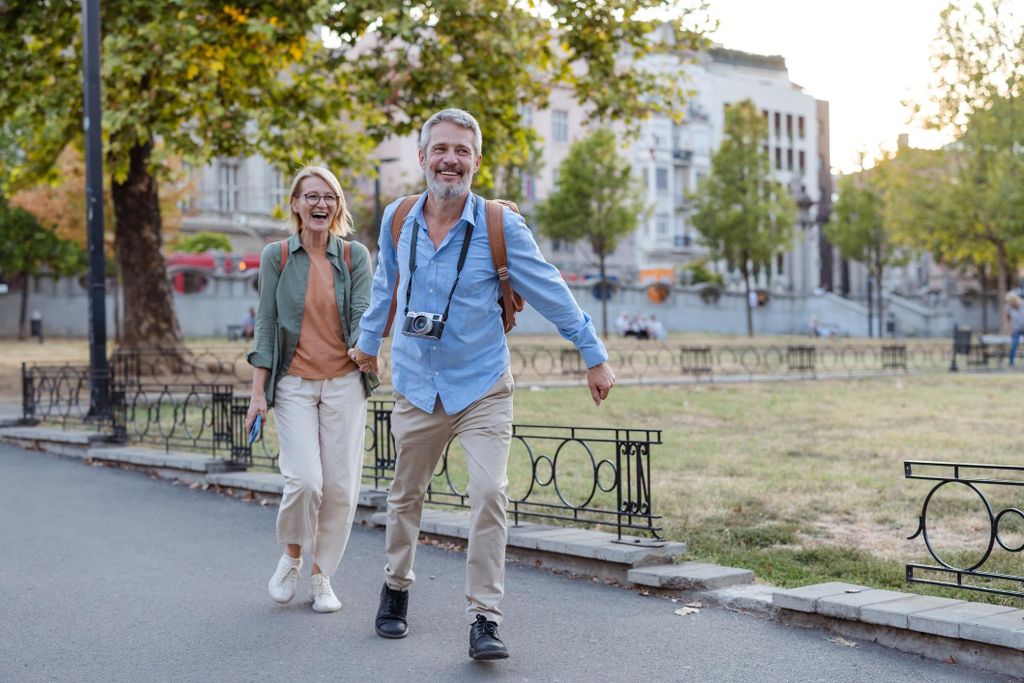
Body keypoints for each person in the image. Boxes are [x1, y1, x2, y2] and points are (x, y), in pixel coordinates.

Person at [349, 108, 615, 661]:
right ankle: (396, 586)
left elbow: (550, 289)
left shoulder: (500, 226)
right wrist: (368, 343)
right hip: (418, 385)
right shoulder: (399, 218)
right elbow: (385, 286)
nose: (450, 160)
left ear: (475, 161)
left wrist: (593, 354)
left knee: (490, 493)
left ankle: (484, 618)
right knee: (405, 495)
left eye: (461, 151)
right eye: (440, 149)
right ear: (422, 157)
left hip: (482, 386)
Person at [244, 166, 377, 614]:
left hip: (344, 383)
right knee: (304, 480)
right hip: (294, 385)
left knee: (339, 488)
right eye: (312, 196)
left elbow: (361, 313)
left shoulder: (355, 256)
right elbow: (265, 324)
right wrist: (258, 394)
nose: (321, 204)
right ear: (296, 204)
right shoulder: (277, 256)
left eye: (330, 197)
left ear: (338, 206)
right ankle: (292, 556)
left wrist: (364, 350)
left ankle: (322, 577)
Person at [1006, 291, 1024, 368]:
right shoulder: (1008, 307)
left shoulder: (1022, 304)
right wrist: (1010, 330)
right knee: (1013, 345)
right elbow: (1008, 319)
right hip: (1016, 328)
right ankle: (1011, 364)